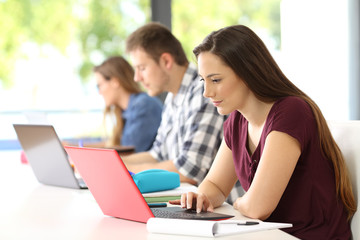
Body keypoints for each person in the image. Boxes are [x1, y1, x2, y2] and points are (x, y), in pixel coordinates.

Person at [170, 25, 357, 239]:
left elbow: (258, 208)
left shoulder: (291, 112)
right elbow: (215, 185)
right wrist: (203, 197)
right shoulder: (236, 121)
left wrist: (238, 203)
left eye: (216, 80)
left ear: (247, 73)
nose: (206, 92)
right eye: (203, 80)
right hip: (270, 234)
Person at [122, 22, 244, 200]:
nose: (137, 77)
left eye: (142, 68)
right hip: (197, 202)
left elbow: (188, 170)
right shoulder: (173, 97)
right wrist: (115, 164)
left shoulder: (204, 92)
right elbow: (157, 154)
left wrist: (124, 170)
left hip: (226, 208)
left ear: (166, 61)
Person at [93, 56, 163, 152]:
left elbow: (127, 151)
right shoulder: (125, 111)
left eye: (99, 86)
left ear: (115, 82)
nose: (99, 92)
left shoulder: (144, 105)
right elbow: (114, 144)